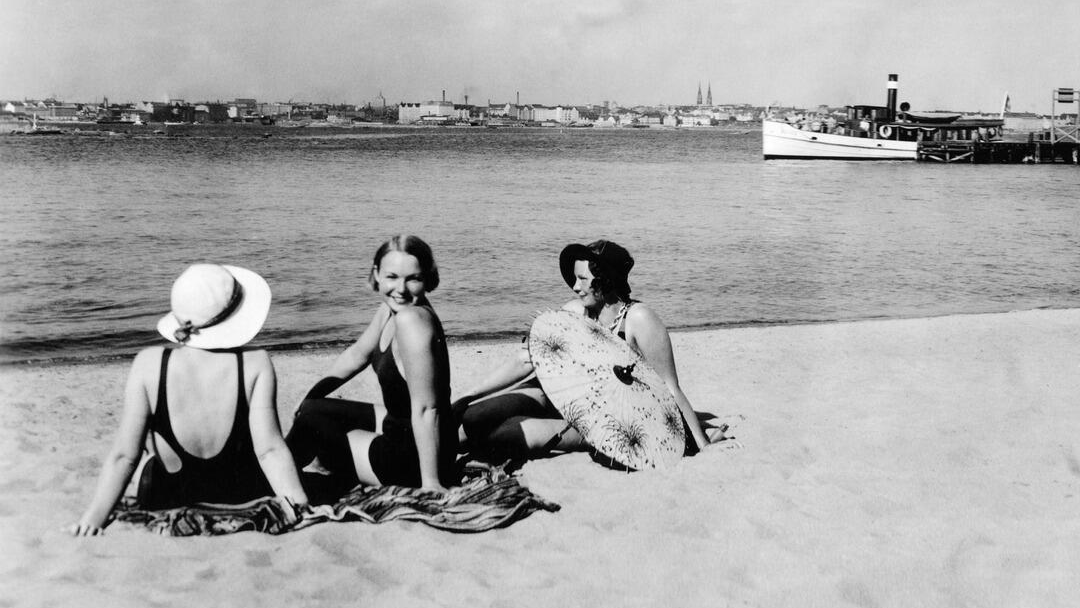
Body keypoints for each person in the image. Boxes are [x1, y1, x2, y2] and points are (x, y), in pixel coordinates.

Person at [72, 264, 308, 536]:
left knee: (148, 449)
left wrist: (94, 518)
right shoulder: (255, 362)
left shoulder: (149, 364)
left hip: (168, 496)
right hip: (239, 492)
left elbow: (124, 456)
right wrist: (300, 506)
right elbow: (269, 451)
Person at [456, 239, 728, 462]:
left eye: (582, 279)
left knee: (506, 435)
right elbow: (527, 359)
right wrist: (468, 396)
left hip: (602, 417)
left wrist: (702, 445)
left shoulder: (639, 319)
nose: (575, 287)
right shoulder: (575, 311)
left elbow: (670, 389)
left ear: (605, 280)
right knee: (473, 419)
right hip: (555, 394)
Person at [285, 234, 455, 496]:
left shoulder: (411, 321)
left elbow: (427, 408)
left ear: (427, 279)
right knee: (312, 407)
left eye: (413, 278)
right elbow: (357, 355)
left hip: (412, 459)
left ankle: (274, 482)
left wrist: (431, 482)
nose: (400, 289)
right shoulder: (390, 309)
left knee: (311, 423)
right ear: (376, 274)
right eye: (392, 277)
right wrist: (311, 394)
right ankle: (294, 469)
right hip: (402, 425)